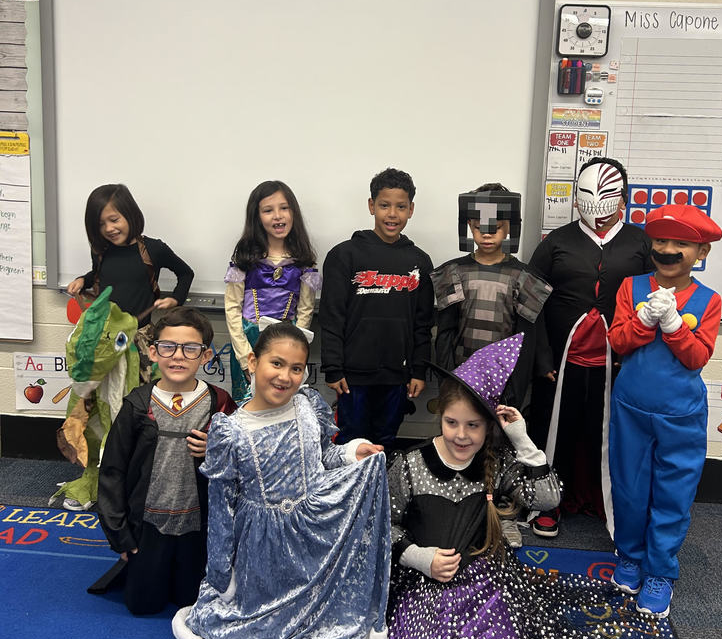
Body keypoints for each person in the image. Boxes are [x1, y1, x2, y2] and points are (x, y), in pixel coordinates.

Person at [387, 336, 680, 639]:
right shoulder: (411, 464)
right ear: (439, 416)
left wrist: (523, 443)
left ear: (490, 425)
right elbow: (386, 527)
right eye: (452, 422)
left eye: (474, 426)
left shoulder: (497, 461)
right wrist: (420, 558)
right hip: (425, 583)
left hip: (486, 583)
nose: (461, 435)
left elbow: (548, 498)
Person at [172, 321, 391, 639]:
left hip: (317, 528)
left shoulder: (307, 405)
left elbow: (323, 456)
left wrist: (354, 453)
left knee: (322, 611)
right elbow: (222, 509)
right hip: (265, 546)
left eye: (296, 368)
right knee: (261, 620)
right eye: (276, 363)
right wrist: (221, 576)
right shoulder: (230, 430)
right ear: (252, 361)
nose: (285, 376)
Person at [608, 204, 722, 618]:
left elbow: (696, 359)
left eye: (682, 243)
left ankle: (660, 571)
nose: (669, 249)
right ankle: (631, 557)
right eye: (660, 241)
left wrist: (674, 326)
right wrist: (644, 320)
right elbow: (618, 342)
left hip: (680, 413)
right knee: (629, 487)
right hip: (631, 407)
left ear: (701, 253)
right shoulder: (630, 287)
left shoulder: (709, 300)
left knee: (673, 494)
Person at [527, 157, 652, 537]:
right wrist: (542, 357)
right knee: (556, 431)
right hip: (562, 363)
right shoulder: (556, 243)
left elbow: (651, 301)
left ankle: (603, 500)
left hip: (617, 362)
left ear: (622, 199)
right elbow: (531, 306)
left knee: (608, 434)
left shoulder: (640, 242)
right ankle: (549, 501)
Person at [97, 307, 236, 615]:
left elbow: (241, 465)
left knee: (191, 603)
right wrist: (120, 535)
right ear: (153, 351)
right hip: (148, 523)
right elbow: (112, 472)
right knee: (143, 606)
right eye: (168, 346)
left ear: (205, 355)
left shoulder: (221, 404)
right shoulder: (137, 405)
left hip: (198, 526)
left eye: (190, 349)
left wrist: (216, 451)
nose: (178, 356)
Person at [319, 167, 433, 449]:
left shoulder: (420, 262)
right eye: (384, 205)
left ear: (411, 209)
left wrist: (418, 370)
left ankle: (379, 492)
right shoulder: (344, 255)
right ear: (371, 206)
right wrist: (333, 368)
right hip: (353, 376)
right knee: (351, 443)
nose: (392, 214)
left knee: (385, 442)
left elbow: (423, 323)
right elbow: (331, 317)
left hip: (397, 376)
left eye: (400, 206)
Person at [432, 183, 552, 409]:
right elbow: (445, 334)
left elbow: (527, 338)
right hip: (460, 378)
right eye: (479, 228)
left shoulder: (523, 277)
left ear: (509, 226)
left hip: (505, 383)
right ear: (469, 224)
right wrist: (447, 379)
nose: (486, 235)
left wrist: (516, 387)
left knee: (498, 440)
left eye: (495, 228)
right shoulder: (452, 272)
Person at [66, 183, 194, 382]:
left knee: (143, 395)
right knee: (105, 395)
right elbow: (100, 274)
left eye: (114, 219)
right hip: (105, 338)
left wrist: (175, 299)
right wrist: (83, 279)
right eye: (100, 224)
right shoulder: (100, 250)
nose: (109, 228)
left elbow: (186, 273)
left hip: (140, 338)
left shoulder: (153, 249)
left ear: (130, 214)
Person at [224, 180, 320, 401]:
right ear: (257, 217)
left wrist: (296, 349)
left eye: (284, 208)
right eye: (268, 210)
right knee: (247, 402)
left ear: (293, 212)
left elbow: (305, 312)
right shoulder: (244, 260)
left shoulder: (304, 262)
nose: (278, 216)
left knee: (282, 401)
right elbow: (232, 309)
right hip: (249, 343)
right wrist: (243, 356)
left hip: (287, 342)